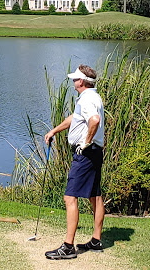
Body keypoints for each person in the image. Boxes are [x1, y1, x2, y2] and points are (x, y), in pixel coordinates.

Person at [43, 64, 105, 260]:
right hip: (94, 152)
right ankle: (96, 240)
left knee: (70, 198)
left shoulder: (88, 99)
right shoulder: (91, 97)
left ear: (82, 82)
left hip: (85, 153)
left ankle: (68, 247)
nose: (73, 81)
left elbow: (94, 120)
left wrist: (86, 142)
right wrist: (54, 130)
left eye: (75, 79)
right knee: (95, 195)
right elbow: (75, 118)